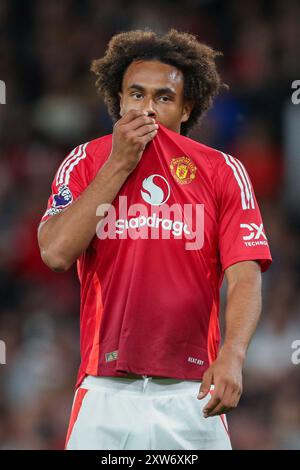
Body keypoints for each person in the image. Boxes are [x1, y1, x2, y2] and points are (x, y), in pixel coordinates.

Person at [37, 29, 272, 450]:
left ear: (186, 108)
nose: (147, 108)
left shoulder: (222, 171)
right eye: (137, 95)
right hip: (106, 393)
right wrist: (118, 164)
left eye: (163, 98)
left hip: (193, 393)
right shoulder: (85, 162)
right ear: (119, 101)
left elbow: (245, 275)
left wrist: (233, 356)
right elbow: (55, 252)